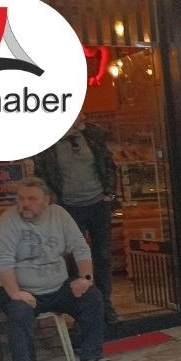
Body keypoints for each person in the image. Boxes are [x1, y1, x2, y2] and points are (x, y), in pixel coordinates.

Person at [0, 177, 113, 361]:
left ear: (46, 200)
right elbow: (2, 259)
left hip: (57, 286)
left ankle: (91, 357)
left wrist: (85, 279)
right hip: (23, 290)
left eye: (31, 199)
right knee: (18, 312)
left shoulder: (59, 214)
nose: (24, 204)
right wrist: (15, 293)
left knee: (92, 297)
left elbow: (80, 246)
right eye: (20, 199)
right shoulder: (8, 220)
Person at [33, 113, 120, 325]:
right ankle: (83, 306)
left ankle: (105, 306)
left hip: (98, 203)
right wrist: (53, 202)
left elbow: (108, 164)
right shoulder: (47, 140)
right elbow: (41, 175)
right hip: (69, 207)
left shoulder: (92, 135)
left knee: (102, 256)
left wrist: (109, 193)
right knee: (75, 258)